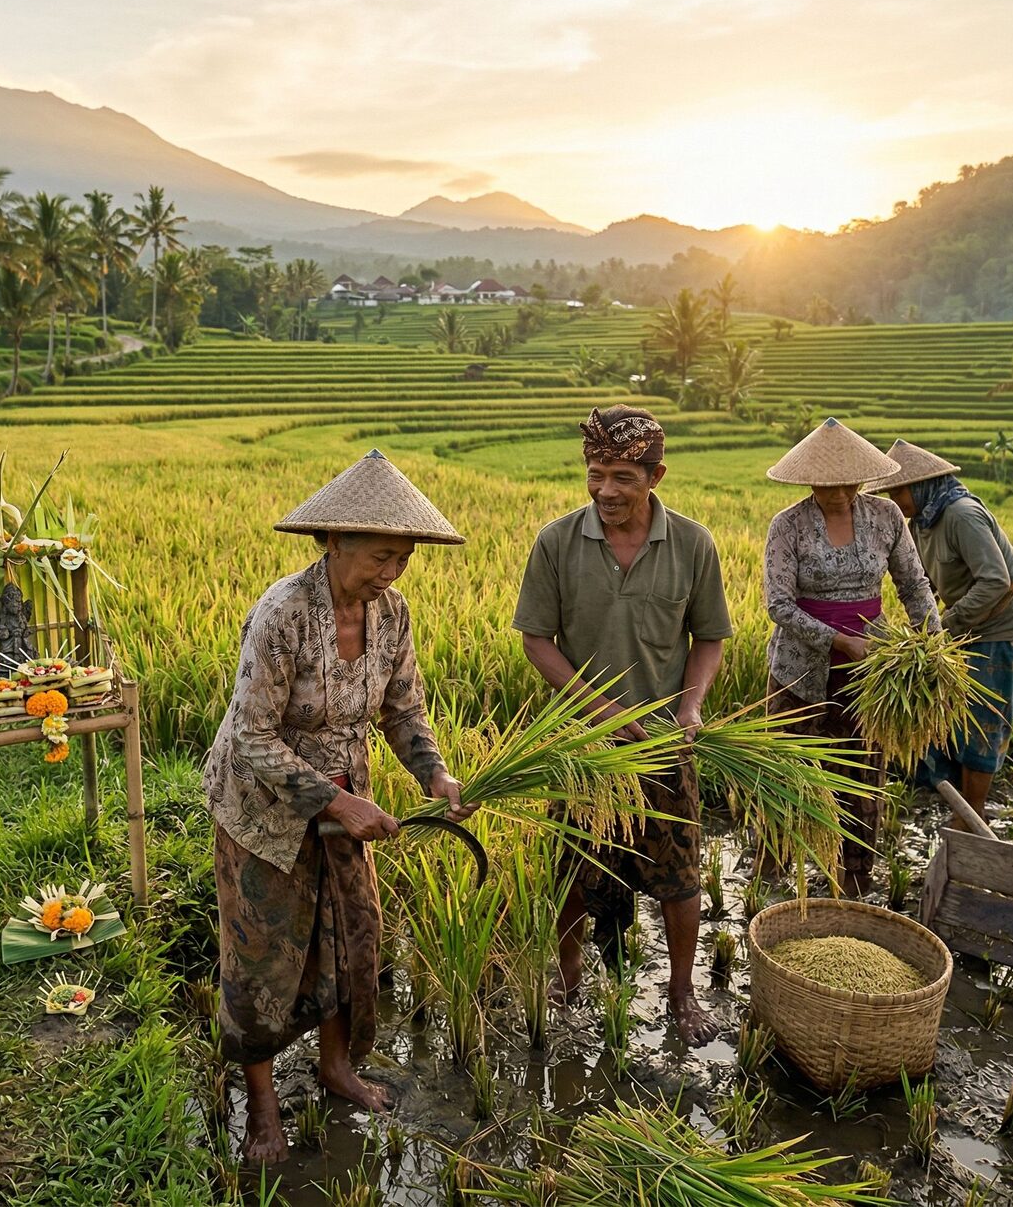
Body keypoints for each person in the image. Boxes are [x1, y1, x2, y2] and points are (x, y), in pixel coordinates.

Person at [204, 449, 474, 1164]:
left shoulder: (392, 613)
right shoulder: (282, 613)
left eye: (403, 559)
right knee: (263, 956)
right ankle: (263, 1110)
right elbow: (253, 736)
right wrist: (335, 803)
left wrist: (434, 776)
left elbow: (402, 709)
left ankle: (336, 1066)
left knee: (348, 938)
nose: (390, 572)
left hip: (344, 801)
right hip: (263, 812)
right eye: (380, 555)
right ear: (334, 541)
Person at [512, 405, 733, 1043]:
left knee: (679, 874)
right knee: (574, 868)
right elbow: (537, 641)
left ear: (655, 476)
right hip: (582, 744)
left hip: (664, 742)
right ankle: (569, 974)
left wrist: (689, 708)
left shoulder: (693, 544)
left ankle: (683, 992)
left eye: (622, 478)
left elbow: (709, 638)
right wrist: (602, 710)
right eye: (595, 473)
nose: (605, 490)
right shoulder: (558, 542)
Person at [762, 418, 940, 896]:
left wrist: (932, 645)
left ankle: (854, 882)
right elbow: (778, 604)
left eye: (846, 481)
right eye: (825, 482)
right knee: (788, 779)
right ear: (809, 479)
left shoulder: (886, 518)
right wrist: (840, 641)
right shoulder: (789, 526)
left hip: (870, 675)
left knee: (863, 776)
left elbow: (913, 585)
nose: (837, 491)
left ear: (861, 477)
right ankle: (773, 884)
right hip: (800, 672)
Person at [866, 439, 1013, 826]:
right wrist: (918, 631)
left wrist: (944, 627)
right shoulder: (921, 523)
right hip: (967, 628)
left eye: (898, 490)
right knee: (953, 716)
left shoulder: (962, 515)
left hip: (1004, 628)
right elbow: (923, 582)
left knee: (983, 719)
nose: (895, 500)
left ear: (923, 484)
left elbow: (995, 582)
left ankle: (972, 816)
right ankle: (962, 802)